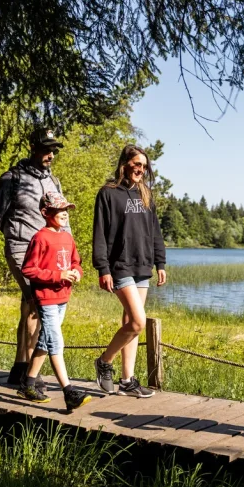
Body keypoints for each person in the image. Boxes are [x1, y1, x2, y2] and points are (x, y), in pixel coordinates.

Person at [0, 127, 68, 388]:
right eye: (45, 149)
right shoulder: (12, 178)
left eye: (53, 150)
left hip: (49, 250)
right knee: (38, 303)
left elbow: (62, 217)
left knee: (29, 307)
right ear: (32, 147)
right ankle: (32, 373)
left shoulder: (54, 181)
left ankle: (19, 367)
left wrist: (69, 249)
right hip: (20, 248)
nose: (50, 154)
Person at [91, 144, 166, 398]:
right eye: (137, 165)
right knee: (137, 321)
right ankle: (104, 361)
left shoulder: (146, 194)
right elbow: (99, 234)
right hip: (119, 266)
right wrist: (103, 268)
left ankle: (127, 380)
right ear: (125, 164)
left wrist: (160, 263)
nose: (141, 170)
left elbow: (155, 232)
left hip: (142, 265)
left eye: (144, 167)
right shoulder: (108, 193)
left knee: (130, 323)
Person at [15, 192, 91, 411]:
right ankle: (69, 392)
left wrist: (76, 272)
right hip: (45, 298)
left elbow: (76, 262)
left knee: (45, 341)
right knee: (56, 342)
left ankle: (28, 384)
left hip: (63, 297)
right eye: (59, 210)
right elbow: (28, 269)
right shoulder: (40, 238)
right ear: (45, 212)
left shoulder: (67, 237)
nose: (64, 214)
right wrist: (58, 276)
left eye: (66, 210)